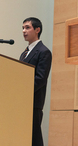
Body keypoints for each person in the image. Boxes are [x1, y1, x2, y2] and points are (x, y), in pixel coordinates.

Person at [20, 17, 52, 146]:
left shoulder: (44, 52)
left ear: (37, 30)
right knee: (24, 137)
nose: (24, 31)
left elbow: (40, 79)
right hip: (22, 101)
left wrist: (23, 92)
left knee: (34, 138)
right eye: (22, 28)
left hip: (33, 102)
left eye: (27, 27)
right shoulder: (24, 54)